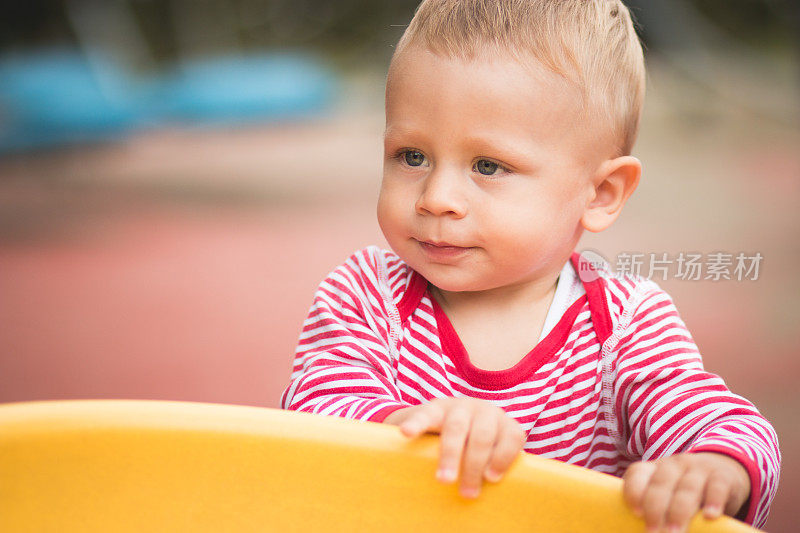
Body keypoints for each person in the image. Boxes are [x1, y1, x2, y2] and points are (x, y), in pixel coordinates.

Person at [280, 1, 780, 531]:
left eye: (488, 166)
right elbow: (317, 404)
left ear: (602, 193)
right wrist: (401, 426)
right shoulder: (365, 293)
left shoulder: (624, 324)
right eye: (412, 156)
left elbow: (715, 419)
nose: (437, 197)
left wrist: (714, 467)